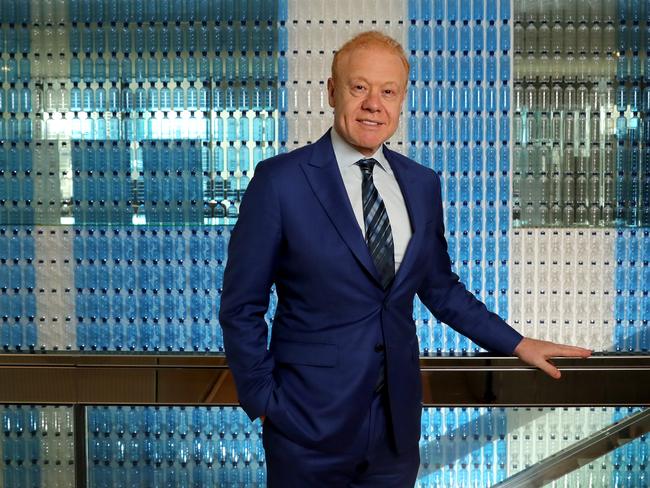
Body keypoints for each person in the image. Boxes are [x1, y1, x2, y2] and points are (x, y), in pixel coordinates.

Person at [219, 31, 591, 487]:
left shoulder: (421, 184)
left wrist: (516, 343)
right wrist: (263, 400)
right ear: (333, 91)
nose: (374, 103)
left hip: (395, 432)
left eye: (388, 91)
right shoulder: (280, 182)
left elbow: (440, 287)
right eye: (360, 88)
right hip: (305, 428)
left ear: (401, 101)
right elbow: (241, 305)